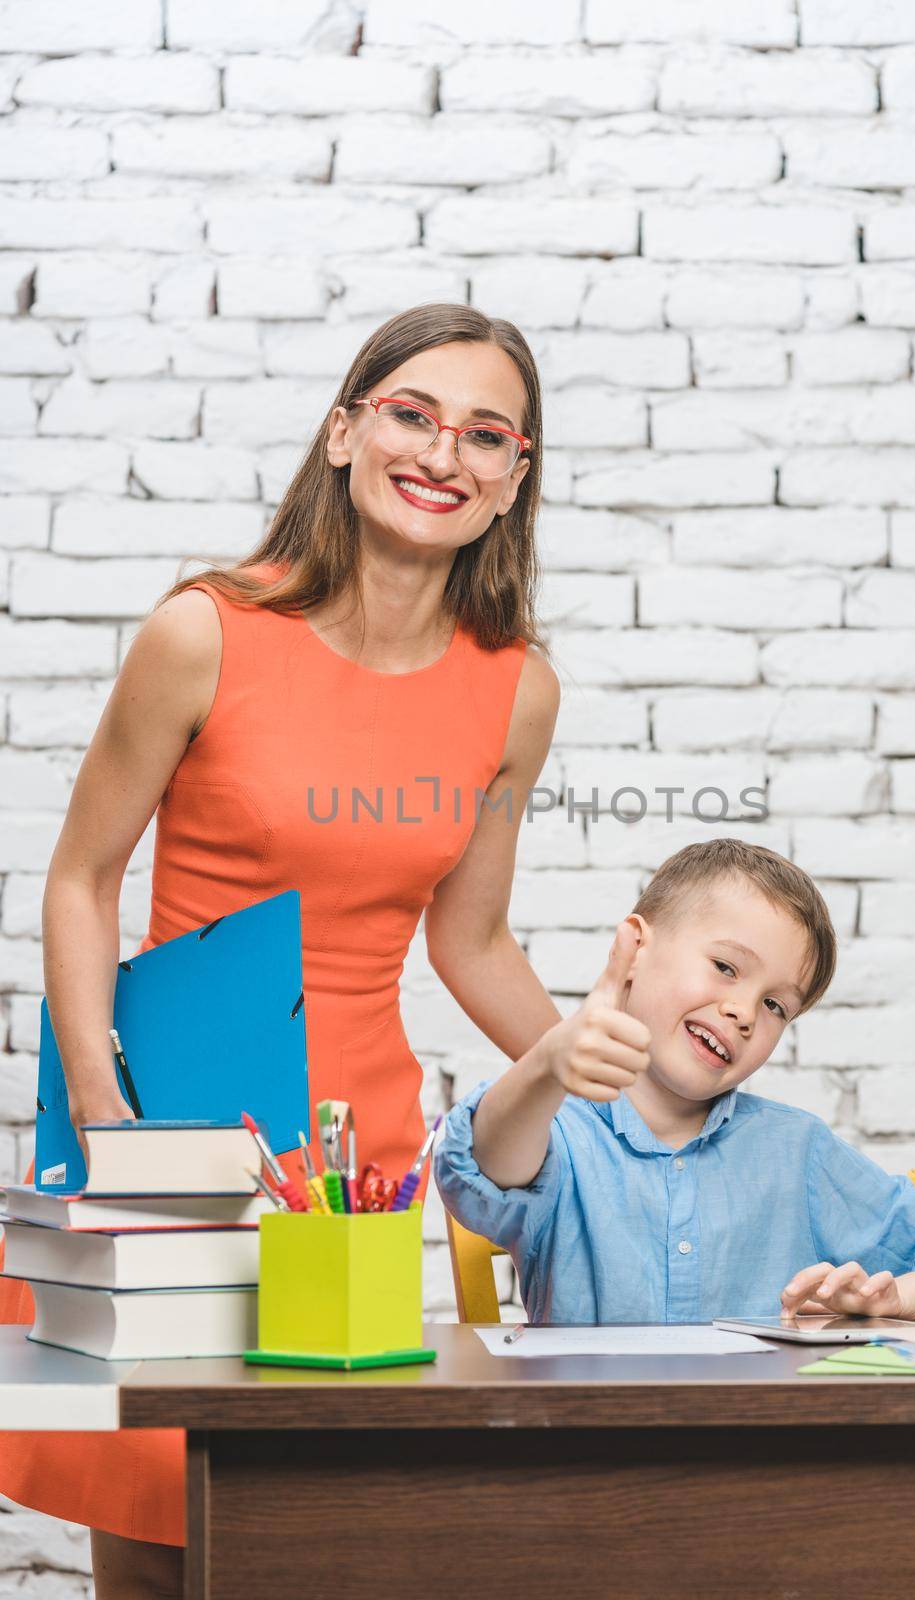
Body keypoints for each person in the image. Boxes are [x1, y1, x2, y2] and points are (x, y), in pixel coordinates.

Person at [0, 303, 563, 1598]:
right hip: (175, 1139)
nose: (442, 452)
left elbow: (467, 940)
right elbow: (84, 878)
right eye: (411, 413)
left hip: (356, 1165)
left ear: (511, 480)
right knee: (153, 1549)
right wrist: (100, 1105)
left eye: (485, 434)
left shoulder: (513, 687)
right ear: (343, 431)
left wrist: (606, 1076)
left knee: (317, 1540)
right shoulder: (203, 631)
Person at [435, 838, 915, 1327]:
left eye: (775, 1005)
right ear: (635, 950)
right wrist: (545, 1062)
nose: (744, 1012)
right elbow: (482, 1164)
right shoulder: (557, 1129)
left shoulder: (796, 1153)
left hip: (763, 1457)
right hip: (591, 1455)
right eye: (725, 967)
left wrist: (907, 1295)